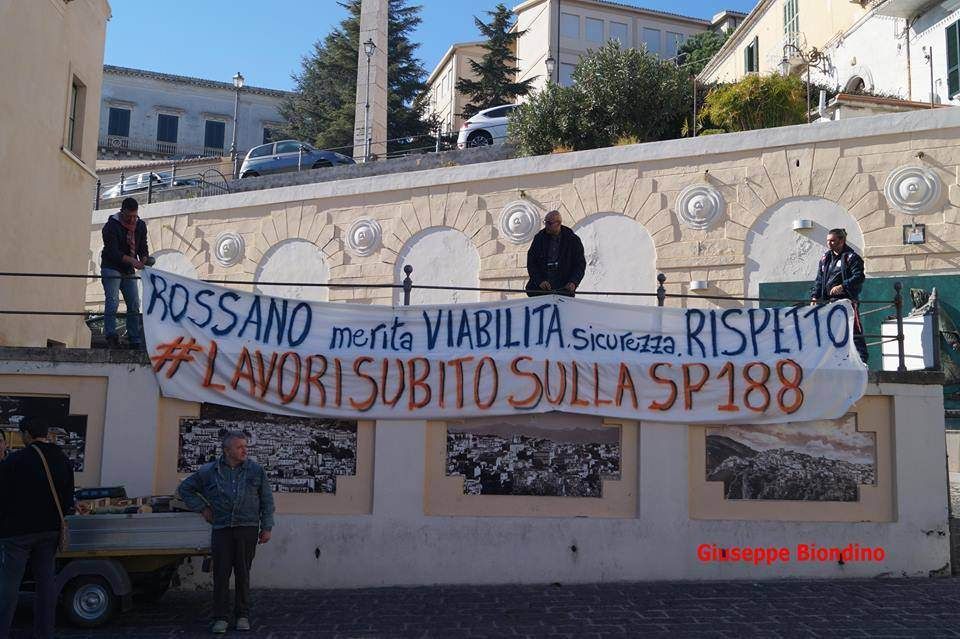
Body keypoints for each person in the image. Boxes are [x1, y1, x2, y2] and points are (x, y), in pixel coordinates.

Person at [177, 432, 274, 634]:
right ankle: (220, 617)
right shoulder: (209, 471)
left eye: (245, 446)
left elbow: (267, 500)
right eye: (240, 447)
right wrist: (203, 508)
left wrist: (266, 527)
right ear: (227, 450)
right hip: (222, 529)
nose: (244, 450)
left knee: (243, 574)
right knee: (221, 575)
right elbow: (185, 489)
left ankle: (242, 615)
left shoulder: (256, 471)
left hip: (246, 528)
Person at [0, 417, 75, 639]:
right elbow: (68, 497)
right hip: (50, 531)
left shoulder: (15, 461)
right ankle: (44, 633)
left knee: (9, 588)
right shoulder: (62, 458)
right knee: (45, 586)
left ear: (26, 434)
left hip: (17, 533)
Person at [810, 228, 868, 363]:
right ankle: (836, 361)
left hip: (847, 302)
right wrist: (814, 296)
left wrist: (843, 286)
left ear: (842, 240)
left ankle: (862, 360)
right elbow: (819, 279)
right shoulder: (825, 259)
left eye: (832, 241)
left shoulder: (852, 258)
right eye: (827, 241)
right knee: (831, 332)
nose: (829, 244)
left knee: (853, 330)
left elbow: (859, 277)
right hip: (829, 303)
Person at [101, 196, 150, 349]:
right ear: (122, 212)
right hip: (111, 266)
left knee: (134, 303)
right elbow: (112, 252)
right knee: (113, 300)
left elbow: (143, 246)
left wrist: (144, 257)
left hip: (128, 269)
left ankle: (134, 337)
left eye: (135, 216)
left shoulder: (140, 225)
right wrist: (132, 261)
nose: (132, 219)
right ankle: (111, 335)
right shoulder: (110, 226)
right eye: (130, 216)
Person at [525, 210, 586, 297]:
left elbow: (580, 265)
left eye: (549, 223)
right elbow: (531, 262)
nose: (546, 226)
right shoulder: (539, 238)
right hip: (540, 289)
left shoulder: (573, 240)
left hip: (563, 288)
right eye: (545, 222)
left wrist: (573, 282)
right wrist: (540, 281)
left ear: (558, 223)